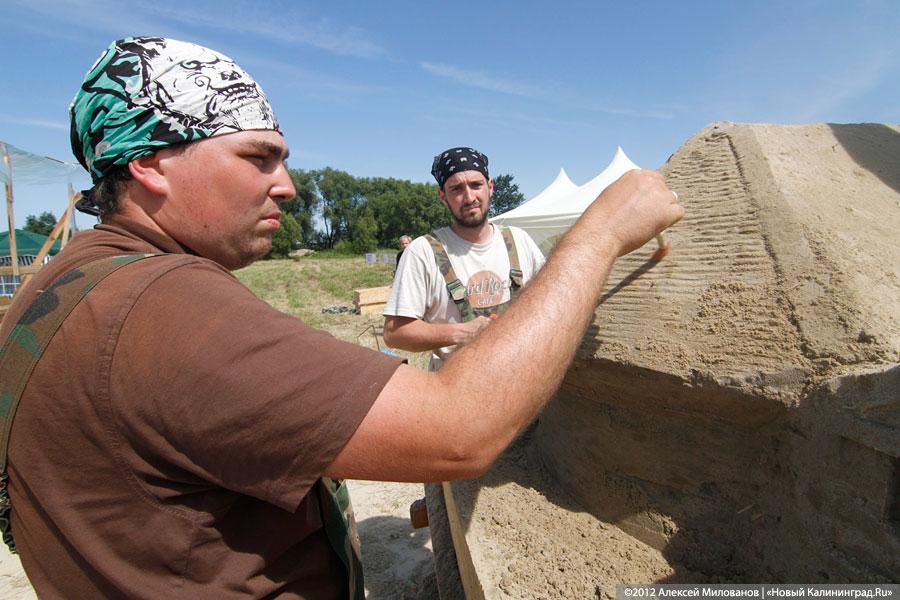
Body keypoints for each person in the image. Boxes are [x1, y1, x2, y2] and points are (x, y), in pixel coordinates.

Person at [0, 36, 682, 599]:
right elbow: (458, 430)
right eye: (257, 157)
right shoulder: (165, 307)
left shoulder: (65, 282)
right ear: (151, 165)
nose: (288, 186)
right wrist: (598, 236)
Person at [383, 147, 546, 370]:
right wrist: (462, 333)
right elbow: (394, 333)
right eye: (457, 189)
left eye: (476, 185)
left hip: (521, 378)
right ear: (443, 197)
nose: (469, 198)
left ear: (490, 187)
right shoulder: (423, 252)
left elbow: (548, 302)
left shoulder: (519, 241)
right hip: (455, 386)